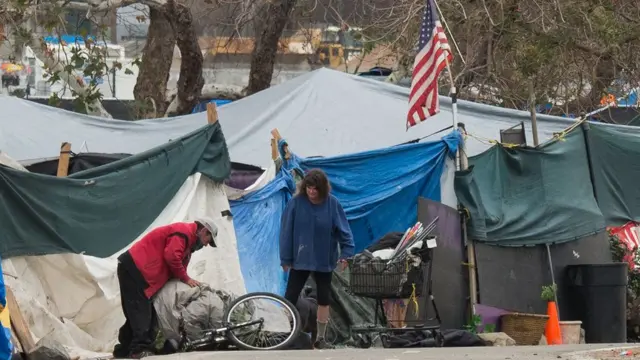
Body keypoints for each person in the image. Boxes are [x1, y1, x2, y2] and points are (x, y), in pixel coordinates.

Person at [113, 218, 219, 359]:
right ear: (205, 231)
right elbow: (171, 256)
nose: (206, 245)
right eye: (208, 240)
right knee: (141, 313)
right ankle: (138, 350)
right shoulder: (184, 232)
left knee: (140, 313)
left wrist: (182, 282)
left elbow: (179, 264)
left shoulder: (189, 242)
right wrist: (186, 278)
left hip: (143, 274)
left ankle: (123, 351)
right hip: (135, 269)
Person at [279, 169, 355, 350]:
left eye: (315, 189)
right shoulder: (295, 203)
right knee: (290, 297)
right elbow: (286, 232)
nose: (311, 192)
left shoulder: (332, 204)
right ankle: (284, 333)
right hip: (300, 258)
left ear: (322, 189)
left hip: (324, 259)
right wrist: (285, 258)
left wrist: (346, 254)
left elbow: (345, 231)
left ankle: (320, 338)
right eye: (308, 188)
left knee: (323, 298)